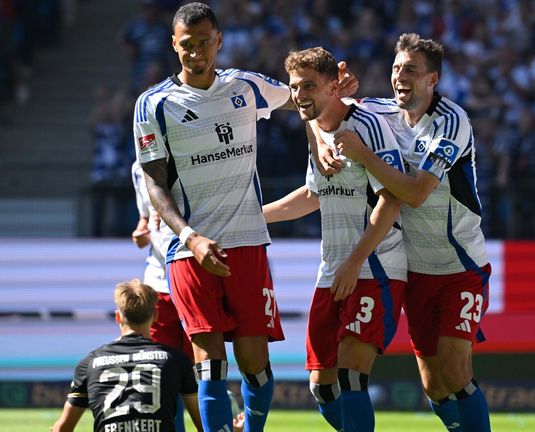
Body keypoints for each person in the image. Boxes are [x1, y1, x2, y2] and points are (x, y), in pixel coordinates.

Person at [133, 4, 357, 431]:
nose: (196, 52)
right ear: (173, 45)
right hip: (190, 252)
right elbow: (155, 185)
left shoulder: (246, 86)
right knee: (209, 362)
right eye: (187, 45)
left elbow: (303, 100)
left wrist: (334, 94)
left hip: (248, 242)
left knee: (256, 364)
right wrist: (191, 238)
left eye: (204, 42)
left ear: (219, 41)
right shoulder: (154, 104)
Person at [317, 33, 492, 432]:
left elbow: (414, 193)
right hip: (413, 271)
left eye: (410, 70)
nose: (399, 76)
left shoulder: (451, 121)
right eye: (396, 68)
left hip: (458, 264)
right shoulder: (378, 112)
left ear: (433, 79)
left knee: (454, 368)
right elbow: (318, 112)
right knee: (433, 385)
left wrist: (362, 154)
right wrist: (323, 135)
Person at [263, 47, 407, 432]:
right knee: (321, 387)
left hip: (373, 266)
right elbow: (313, 195)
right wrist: (254, 216)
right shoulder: (319, 136)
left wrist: (355, 262)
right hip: (332, 271)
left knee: (350, 376)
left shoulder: (369, 126)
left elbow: (391, 202)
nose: (299, 94)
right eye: (295, 87)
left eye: (309, 85)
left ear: (333, 85)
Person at [50, 279, 202, 432]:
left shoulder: (90, 362)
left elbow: (62, 428)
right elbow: (203, 424)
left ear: (118, 317)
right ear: (156, 315)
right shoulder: (176, 360)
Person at [131, 159, 196, 431]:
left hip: (193, 279)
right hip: (158, 285)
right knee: (160, 372)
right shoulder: (138, 167)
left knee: (198, 372)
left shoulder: (189, 154)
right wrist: (141, 233)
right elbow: (145, 218)